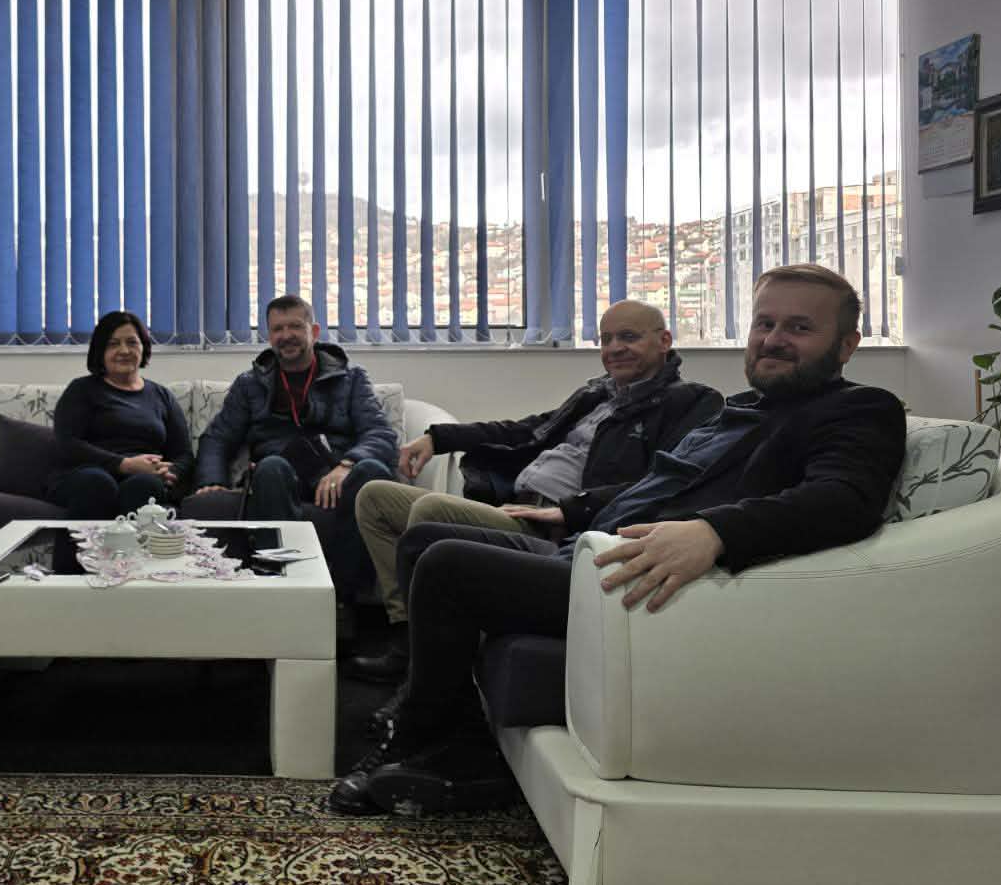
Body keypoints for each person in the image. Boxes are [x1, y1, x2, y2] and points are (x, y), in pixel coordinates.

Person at [328, 264, 906, 817]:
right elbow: (645, 478)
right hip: (593, 542)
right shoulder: (741, 410)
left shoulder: (860, 408)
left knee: (448, 564)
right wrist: (572, 512)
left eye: (799, 327)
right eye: (765, 323)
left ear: (846, 345)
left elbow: (843, 500)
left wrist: (715, 532)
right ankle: (461, 733)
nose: (773, 339)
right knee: (426, 537)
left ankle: (422, 739)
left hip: (646, 575)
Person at [349, 300, 722, 682]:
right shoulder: (598, 393)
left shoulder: (690, 403)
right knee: (376, 498)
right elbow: (526, 431)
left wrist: (571, 509)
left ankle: (425, 658)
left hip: (558, 525)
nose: (614, 349)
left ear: (664, 341)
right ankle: (406, 632)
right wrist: (438, 438)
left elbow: (665, 482)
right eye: (606, 339)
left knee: (430, 513)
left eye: (628, 337)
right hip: (517, 503)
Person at [186, 294, 398, 594]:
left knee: (372, 471)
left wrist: (347, 465)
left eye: (295, 326)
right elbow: (218, 437)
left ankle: (346, 596)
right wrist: (211, 481)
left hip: (337, 474)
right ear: (269, 336)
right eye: (278, 329)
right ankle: (285, 586)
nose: (286, 336)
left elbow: (380, 433)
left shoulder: (351, 378)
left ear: (314, 331)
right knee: (271, 467)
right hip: (280, 476)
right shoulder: (250, 384)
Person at [47, 310, 194, 520]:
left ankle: (135, 544)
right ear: (100, 351)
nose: (124, 350)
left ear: (143, 347)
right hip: (85, 473)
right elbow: (68, 444)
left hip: (144, 478)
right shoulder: (81, 390)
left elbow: (184, 454)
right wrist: (124, 465)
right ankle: (85, 544)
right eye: (113, 344)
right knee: (97, 483)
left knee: (145, 485)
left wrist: (170, 471)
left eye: (132, 342)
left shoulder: (161, 396)